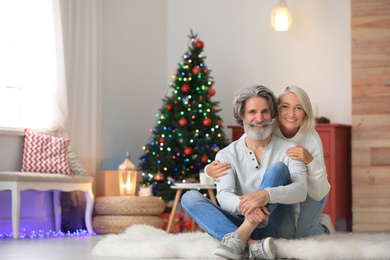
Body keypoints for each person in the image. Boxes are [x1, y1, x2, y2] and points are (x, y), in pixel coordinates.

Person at [181, 85, 308, 260]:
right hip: (239, 221)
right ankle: (252, 244)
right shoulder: (227, 154)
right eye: (252, 112)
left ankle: (239, 237)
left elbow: (301, 190)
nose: (259, 118)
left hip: (279, 227)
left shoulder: (290, 149)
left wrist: (266, 195)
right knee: (189, 197)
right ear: (242, 116)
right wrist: (245, 206)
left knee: (278, 168)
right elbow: (224, 195)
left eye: (265, 111)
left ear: (272, 114)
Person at [205, 85, 334, 239]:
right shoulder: (268, 125)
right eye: (285, 106)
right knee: (190, 198)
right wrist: (209, 169)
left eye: (298, 108)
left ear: (305, 113)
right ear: (276, 110)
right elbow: (244, 143)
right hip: (287, 189)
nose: (291, 114)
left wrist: (309, 160)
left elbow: (318, 189)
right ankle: (248, 236)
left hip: (314, 191)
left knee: (300, 234)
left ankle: (324, 226)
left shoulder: (311, 138)